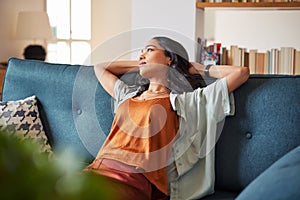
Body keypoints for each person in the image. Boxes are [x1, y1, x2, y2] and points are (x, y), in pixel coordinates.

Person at [84, 36, 250, 200]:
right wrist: (143, 63)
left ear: (169, 58)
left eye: (149, 50)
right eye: (141, 52)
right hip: (95, 170)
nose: (141, 55)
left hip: (132, 179)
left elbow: (241, 73)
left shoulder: (186, 102)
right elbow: (100, 68)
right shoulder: (128, 95)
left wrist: (197, 68)